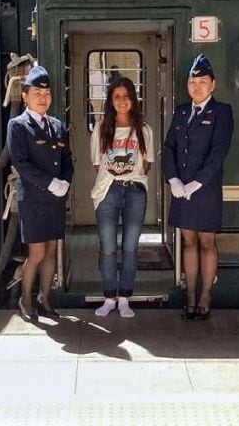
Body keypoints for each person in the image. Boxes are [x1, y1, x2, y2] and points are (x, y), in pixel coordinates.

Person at [163, 54, 234, 320]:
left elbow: (218, 152)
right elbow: (169, 147)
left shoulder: (222, 112)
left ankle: (205, 295)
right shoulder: (182, 111)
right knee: (188, 241)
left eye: (202, 82)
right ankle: (190, 295)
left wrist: (197, 183)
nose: (197, 86)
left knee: (206, 242)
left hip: (205, 190)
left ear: (213, 84)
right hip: (182, 189)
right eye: (193, 82)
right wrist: (173, 179)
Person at [7, 65, 73, 321]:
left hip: (55, 199)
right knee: (36, 253)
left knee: (52, 251)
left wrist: (66, 181)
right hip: (33, 199)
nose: (43, 97)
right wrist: (50, 183)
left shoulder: (56, 125)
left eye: (46, 93)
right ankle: (26, 301)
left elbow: (66, 158)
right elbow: (21, 164)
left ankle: (45, 299)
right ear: (25, 96)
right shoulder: (18, 126)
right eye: (37, 92)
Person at [90, 77, 154, 318]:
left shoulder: (144, 129)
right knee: (107, 248)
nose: (122, 101)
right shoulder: (101, 128)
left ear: (133, 99)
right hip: (108, 191)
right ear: (110, 100)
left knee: (130, 247)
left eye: (126, 96)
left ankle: (125, 297)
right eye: (116, 97)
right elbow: (97, 164)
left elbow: (146, 164)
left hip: (135, 191)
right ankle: (109, 297)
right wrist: (115, 177)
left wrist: (130, 176)